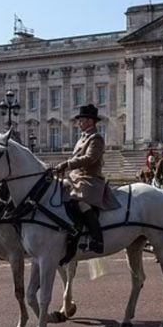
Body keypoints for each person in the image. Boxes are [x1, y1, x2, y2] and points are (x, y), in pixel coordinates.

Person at [55, 104, 119, 254]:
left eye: (81, 120)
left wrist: (67, 164)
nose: (79, 123)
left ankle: (97, 239)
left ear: (90, 121)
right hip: (75, 177)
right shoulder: (82, 138)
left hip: (89, 179)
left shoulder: (96, 138)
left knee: (80, 201)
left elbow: (90, 158)